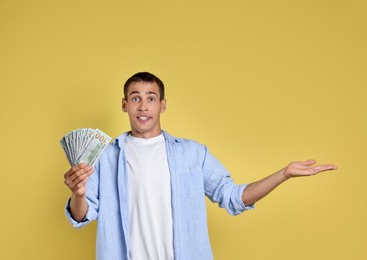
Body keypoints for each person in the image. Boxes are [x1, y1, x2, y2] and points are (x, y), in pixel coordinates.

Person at [63, 72, 337, 260]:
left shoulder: (193, 154)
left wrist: (284, 174)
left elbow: (234, 197)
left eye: (151, 98)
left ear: (163, 105)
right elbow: (82, 215)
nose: (143, 106)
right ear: (124, 105)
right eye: (135, 98)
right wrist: (78, 194)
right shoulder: (105, 156)